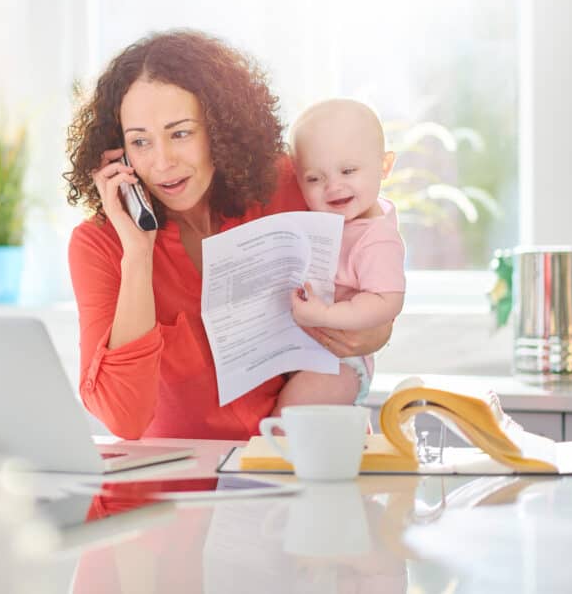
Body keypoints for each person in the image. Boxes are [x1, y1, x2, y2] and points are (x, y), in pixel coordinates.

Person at [63, 30, 392, 440]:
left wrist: (374, 329)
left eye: (180, 133)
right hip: (183, 488)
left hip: (298, 464)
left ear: (218, 129)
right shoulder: (98, 245)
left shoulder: (285, 185)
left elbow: (371, 253)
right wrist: (137, 254)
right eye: (140, 142)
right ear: (119, 153)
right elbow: (124, 420)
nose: (162, 162)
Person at [278, 99, 406, 409]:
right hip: (312, 353)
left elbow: (387, 301)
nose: (333, 186)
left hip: (343, 365)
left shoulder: (377, 236)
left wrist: (325, 316)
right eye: (314, 178)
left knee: (287, 420)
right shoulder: (334, 223)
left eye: (348, 170)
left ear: (385, 166)